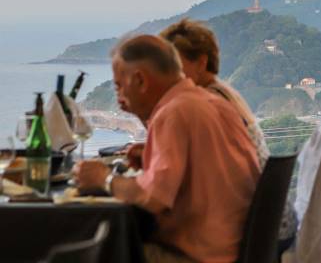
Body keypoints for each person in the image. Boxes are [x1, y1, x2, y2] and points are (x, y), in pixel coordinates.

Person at [74, 35, 261, 263]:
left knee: (93, 250)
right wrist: (151, 157)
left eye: (119, 86)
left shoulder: (174, 112)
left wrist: (103, 179)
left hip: (198, 256)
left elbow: (154, 198)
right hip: (236, 247)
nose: (120, 97)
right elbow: (207, 169)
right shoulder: (214, 103)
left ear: (141, 80)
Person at [158, 18, 269, 168]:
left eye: (175, 64)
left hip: (240, 187)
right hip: (254, 184)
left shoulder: (208, 101)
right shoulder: (222, 91)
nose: (167, 73)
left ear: (201, 63)